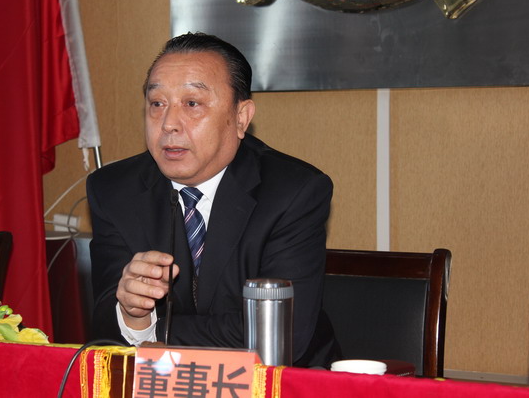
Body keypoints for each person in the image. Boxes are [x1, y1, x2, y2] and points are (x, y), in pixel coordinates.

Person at [87, 32, 340, 367]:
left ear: (241, 117)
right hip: (163, 384)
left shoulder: (293, 191)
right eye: (157, 103)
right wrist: (130, 312)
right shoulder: (113, 190)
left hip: (282, 383)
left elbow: (279, 335)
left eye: (192, 104)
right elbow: (103, 325)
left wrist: (146, 330)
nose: (169, 124)